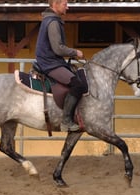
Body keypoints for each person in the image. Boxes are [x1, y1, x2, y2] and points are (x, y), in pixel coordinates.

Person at [35, 0, 88, 132]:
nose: (68, 7)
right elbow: (58, 49)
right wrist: (75, 52)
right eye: (65, 4)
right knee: (78, 84)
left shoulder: (51, 20)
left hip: (52, 61)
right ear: (55, 4)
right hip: (49, 63)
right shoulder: (53, 22)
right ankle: (66, 121)